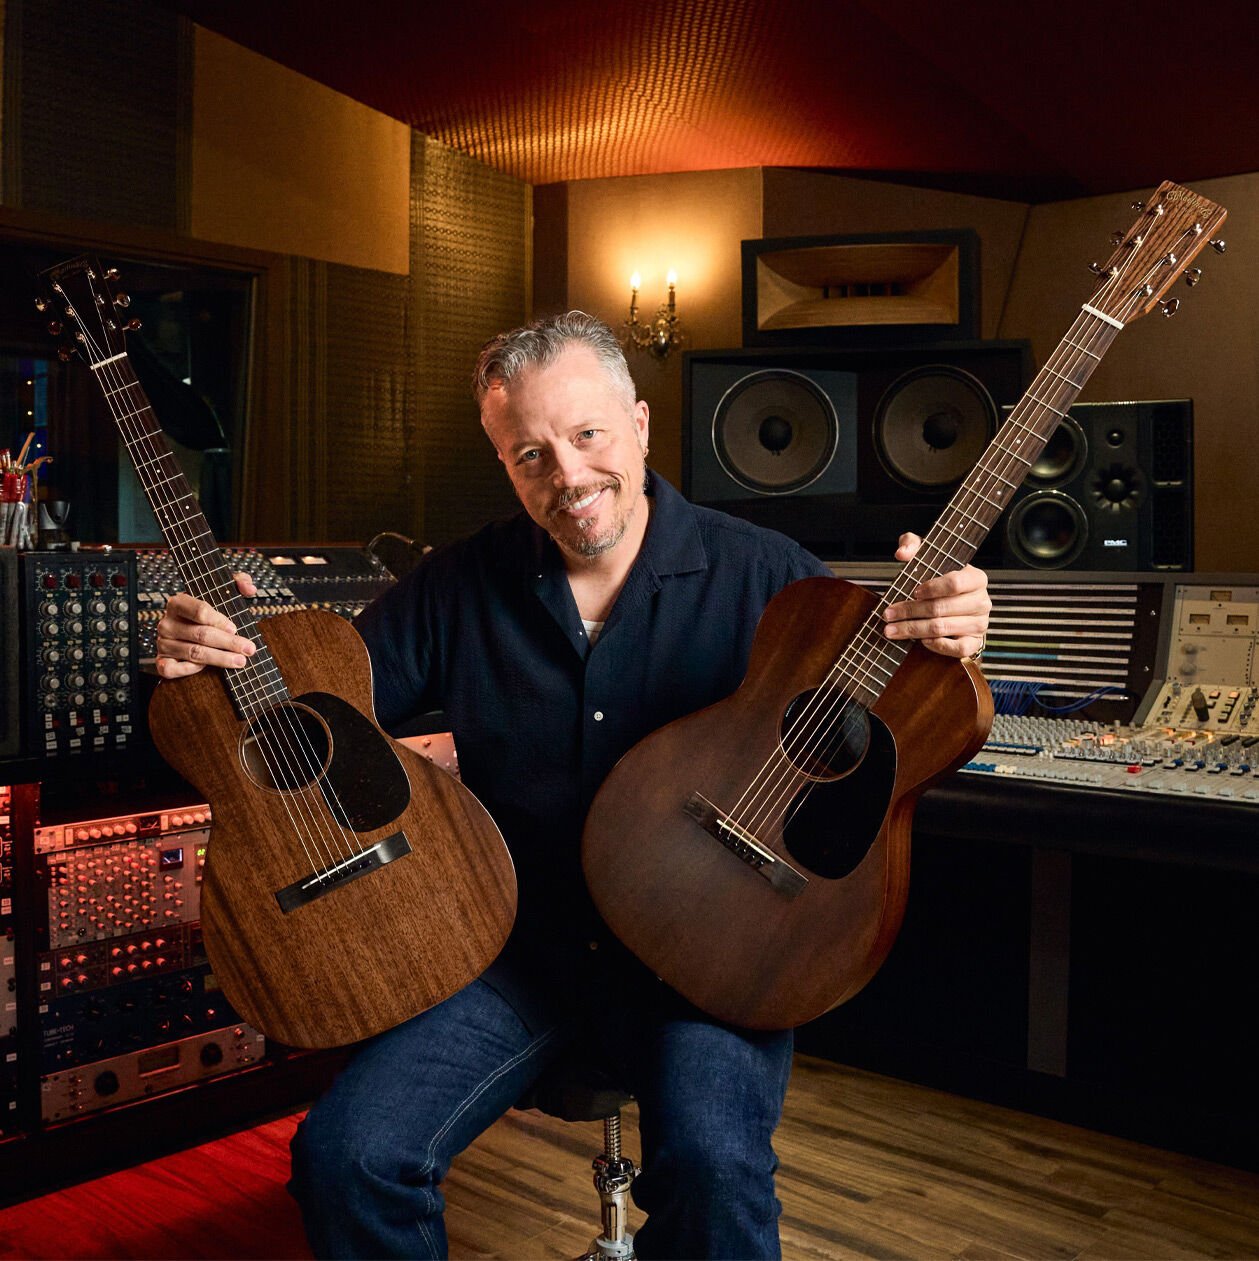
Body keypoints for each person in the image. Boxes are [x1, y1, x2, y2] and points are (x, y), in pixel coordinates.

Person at [155, 311, 991, 1259]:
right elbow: (304, 714)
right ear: (504, 464)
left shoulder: (768, 577)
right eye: (529, 454)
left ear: (637, 423)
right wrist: (210, 661)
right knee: (348, 1155)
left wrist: (948, 637)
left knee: (715, 1171)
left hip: (708, 959)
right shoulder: (456, 585)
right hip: (516, 950)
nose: (568, 476)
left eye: (587, 434)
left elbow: (872, 725)